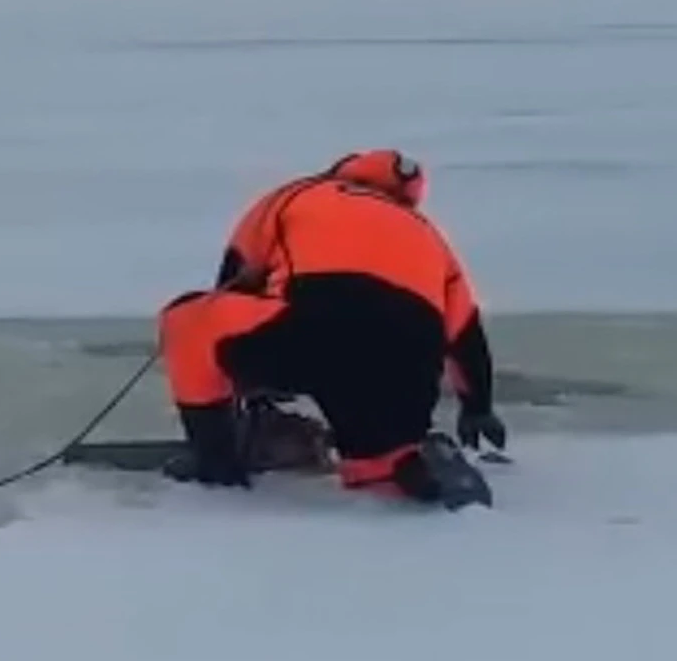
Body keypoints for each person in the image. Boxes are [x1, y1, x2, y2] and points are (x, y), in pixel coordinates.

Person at [156, 150, 506, 507]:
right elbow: (464, 332)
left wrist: (246, 385)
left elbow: (237, 275)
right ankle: (408, 464)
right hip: (407, 360)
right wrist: (478, 407)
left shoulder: (299, 194)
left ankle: (217, 464)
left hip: (314, 330)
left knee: (189, 322)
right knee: (377, 468)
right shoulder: (428, 234)